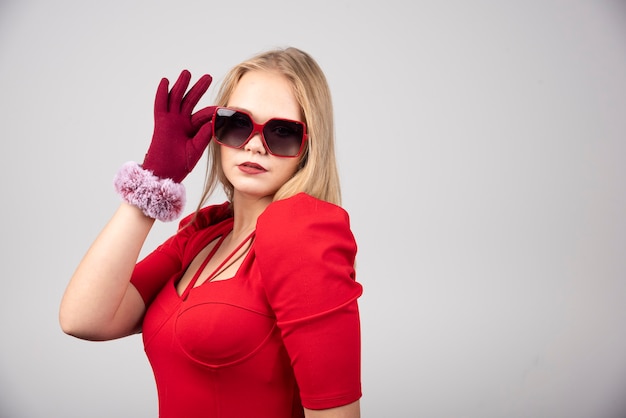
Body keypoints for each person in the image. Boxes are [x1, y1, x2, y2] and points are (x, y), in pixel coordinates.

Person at [59, 47, 363, 418]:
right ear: (216, 130)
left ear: (308, 147)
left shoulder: (302, 234)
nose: (254, 144)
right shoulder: (205, 234)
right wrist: (153, 181)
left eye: (281, 132)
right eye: (237, 123)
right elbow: (83, 319)